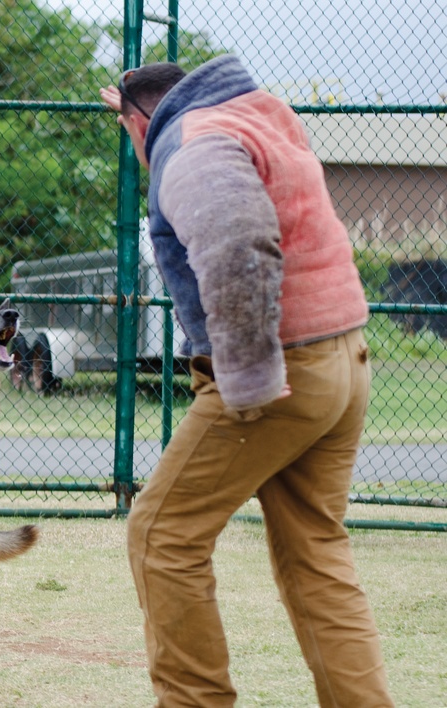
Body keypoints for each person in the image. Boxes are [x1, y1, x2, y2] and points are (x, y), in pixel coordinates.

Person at [100, 56, 393, 707]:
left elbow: (236, 240)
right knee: (315, 552)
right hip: (343, 357)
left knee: (161, 533)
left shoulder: (190, 142)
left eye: (127, 134)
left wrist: (248, 380)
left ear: (140, 121)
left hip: (280, 371)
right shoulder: (258, 116)